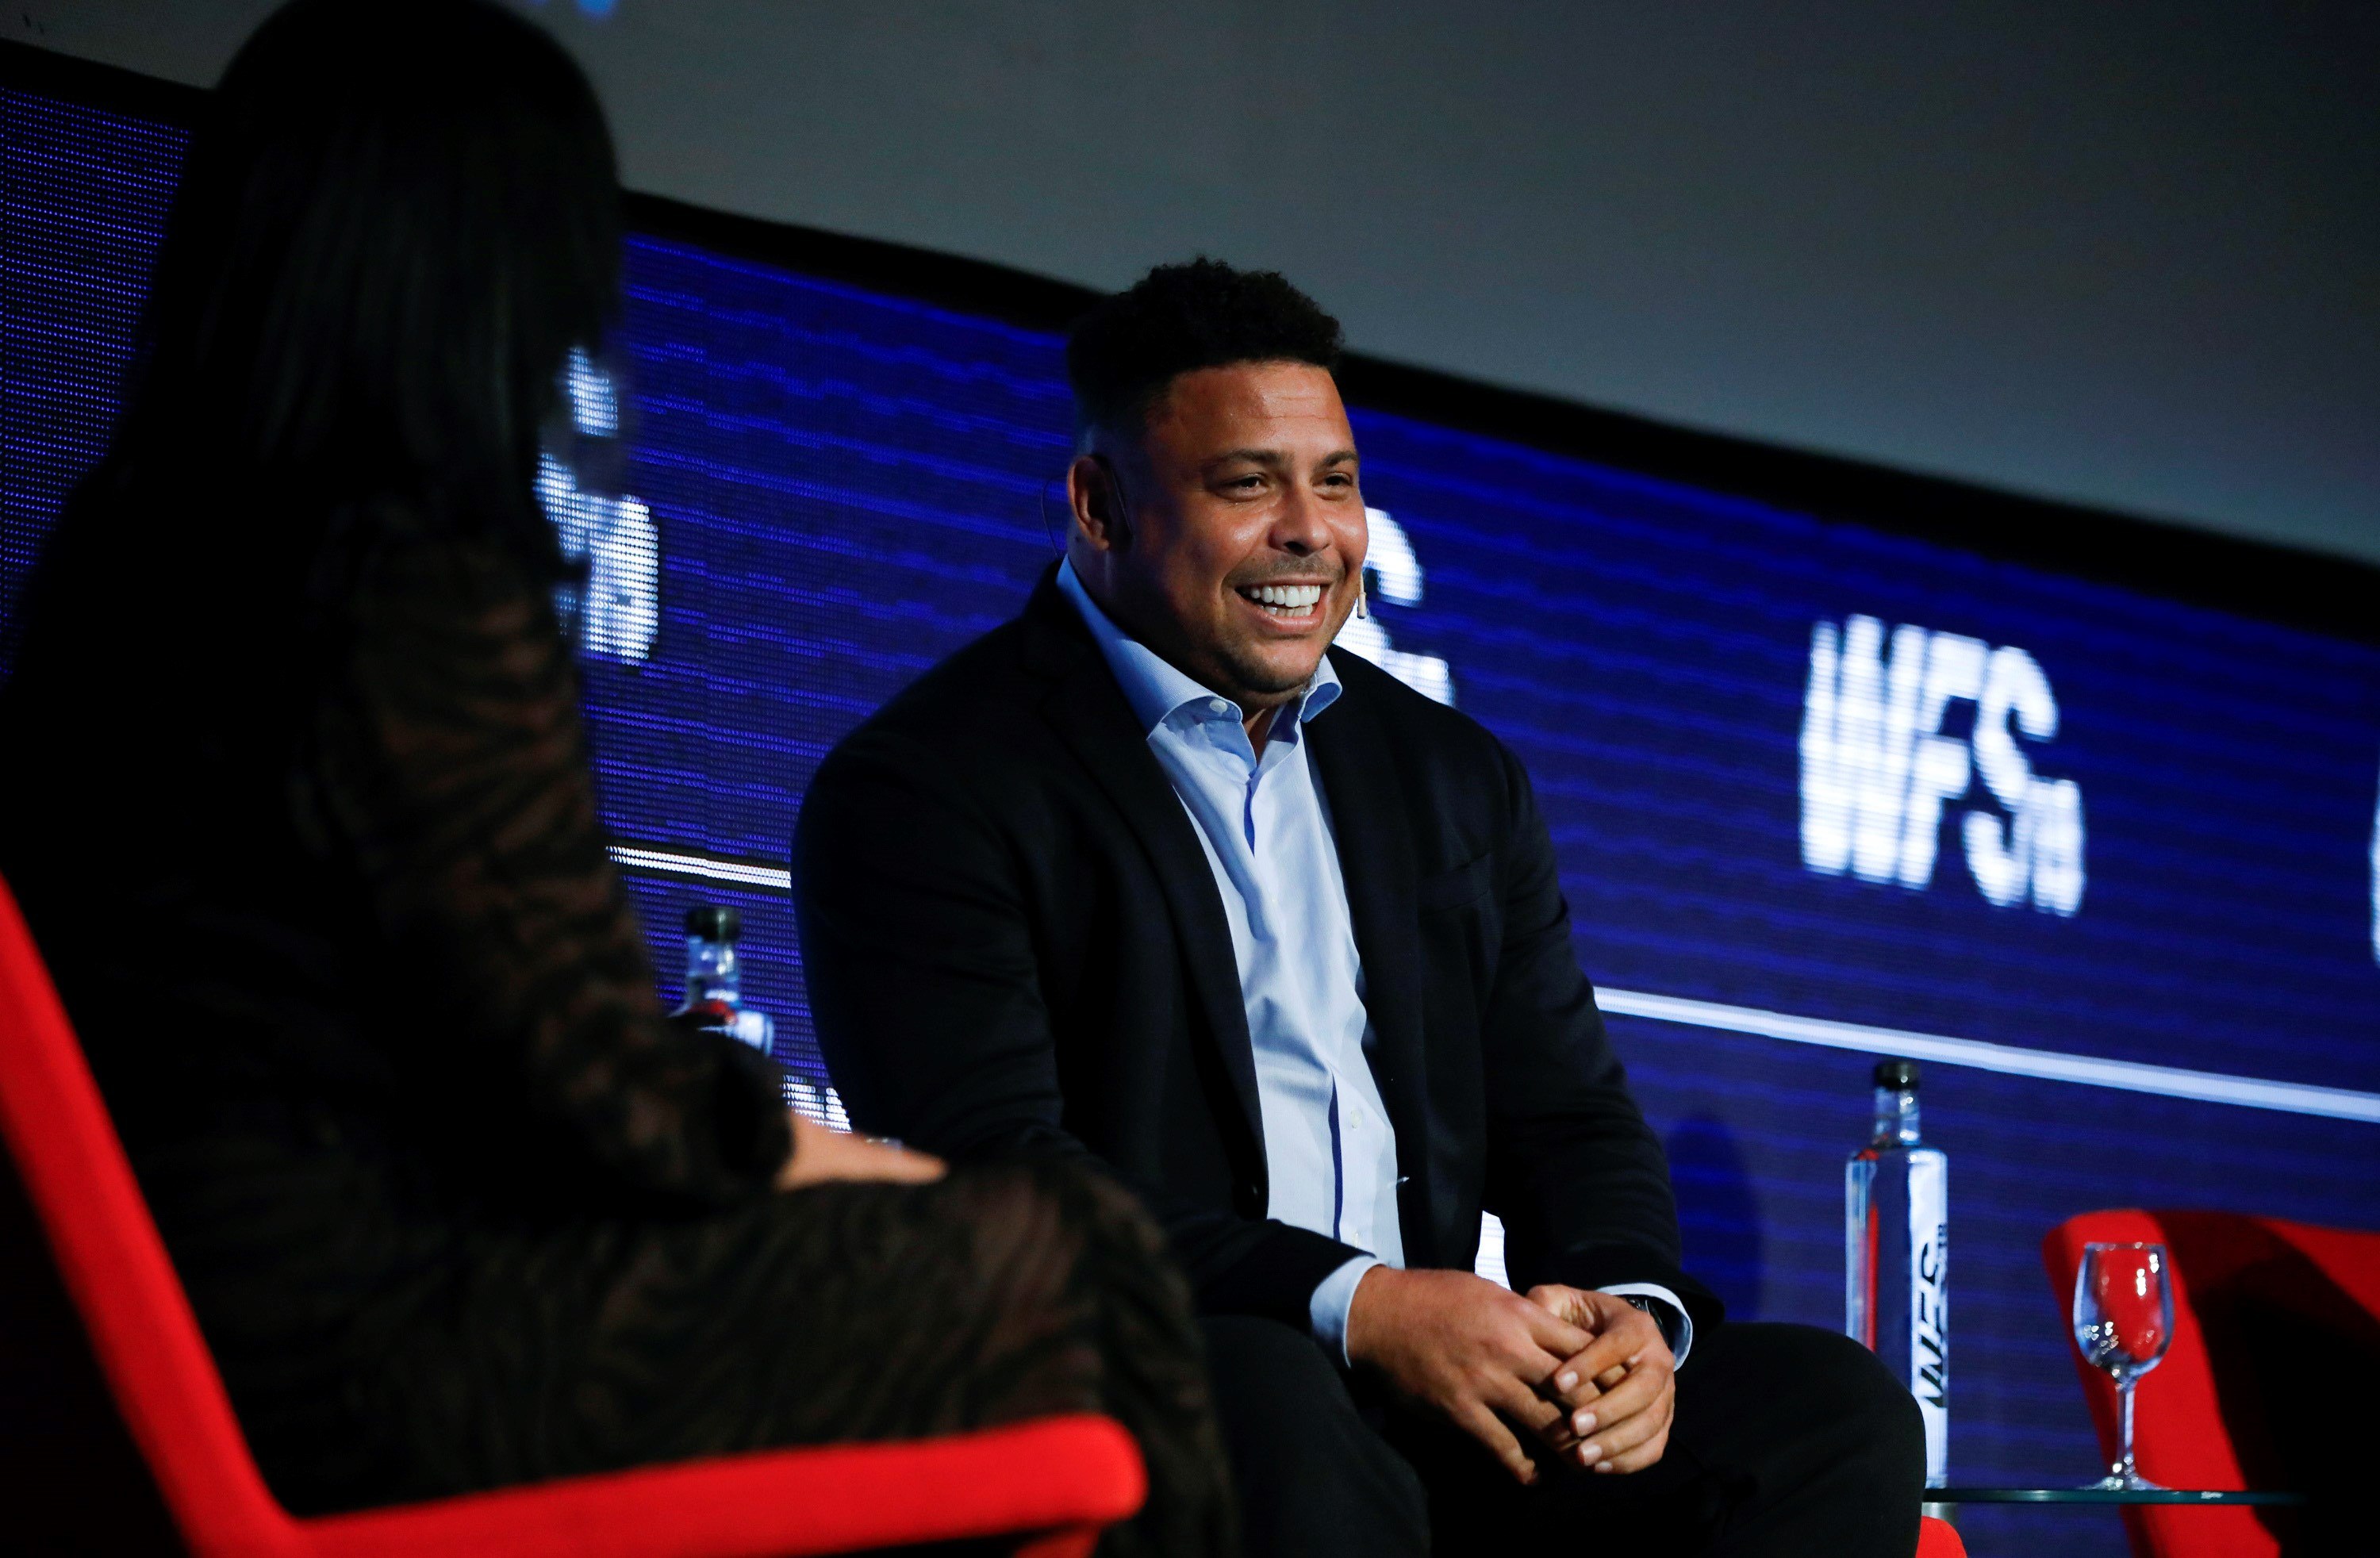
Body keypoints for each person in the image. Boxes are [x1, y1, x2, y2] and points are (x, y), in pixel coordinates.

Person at [0, 7, 1232, 1554]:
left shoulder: (114, 564)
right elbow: (598, 1097)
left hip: (166, 1367)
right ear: (502, 273)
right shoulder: (409, 582)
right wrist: (858, 1165)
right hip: (392, 1367)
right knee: (1086, 1255)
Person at [794, 259, 1925, 1556]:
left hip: (1444, 1406)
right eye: (1247, 485)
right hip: (1157, 1383)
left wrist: (1628, 1319)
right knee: (1266, 1391)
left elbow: (1569, 1116)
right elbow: (1000, 1179)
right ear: (1101, 506)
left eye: (1334, 482)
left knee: (1827, 1413)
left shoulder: (1450, 777)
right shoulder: (929, 785)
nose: (1311, 533)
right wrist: (1361, 1306)